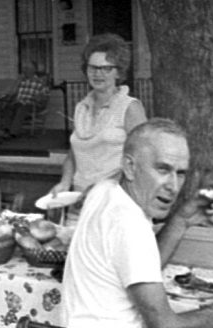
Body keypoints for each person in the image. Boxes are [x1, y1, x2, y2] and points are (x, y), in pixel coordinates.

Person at [62, 119, 213, 327]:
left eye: (180, 173)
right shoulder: (129, 224)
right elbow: (165, 325)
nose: (173, 186)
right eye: (163, 170)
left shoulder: (104, 190)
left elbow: (140, 266)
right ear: (129, 167)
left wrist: (181, 220)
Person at [50, 34, 146, 225]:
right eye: (93, 67)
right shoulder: (81, 107)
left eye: (106, 68)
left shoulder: (129, 107)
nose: (98, 74)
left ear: (118, 72)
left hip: (115, 205)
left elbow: (142, 158)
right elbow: (73, 154)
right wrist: (64, 182)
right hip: (79, 203)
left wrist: (102, 187)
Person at [0, 62, 51, 140]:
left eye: (27, 69)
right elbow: (13, 92)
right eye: (24, 69)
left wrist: (39, 97)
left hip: (32, 103)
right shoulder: (21, 81)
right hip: (19, 102)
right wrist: (17, 82)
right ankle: (6, 130)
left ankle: (13, 133)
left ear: (33, 70)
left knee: (22, 109)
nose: (24, 71)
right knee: (9, 107)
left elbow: (45, 96)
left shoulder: (39, 82)